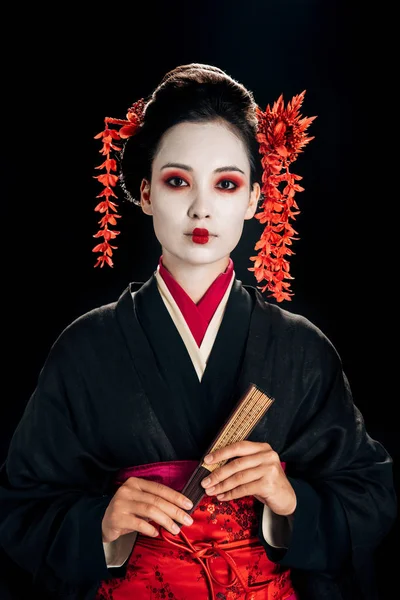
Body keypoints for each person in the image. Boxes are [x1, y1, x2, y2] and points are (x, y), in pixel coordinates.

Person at [0, 63, 396, 600]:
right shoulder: (85, 349)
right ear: (143, 193)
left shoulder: (300, 350)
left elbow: (370, 494)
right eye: (177, 180)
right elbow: (23, 505)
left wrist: (289, 501)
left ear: (256, 198)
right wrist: (101, 523)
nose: (201, 207)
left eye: (227, 183)